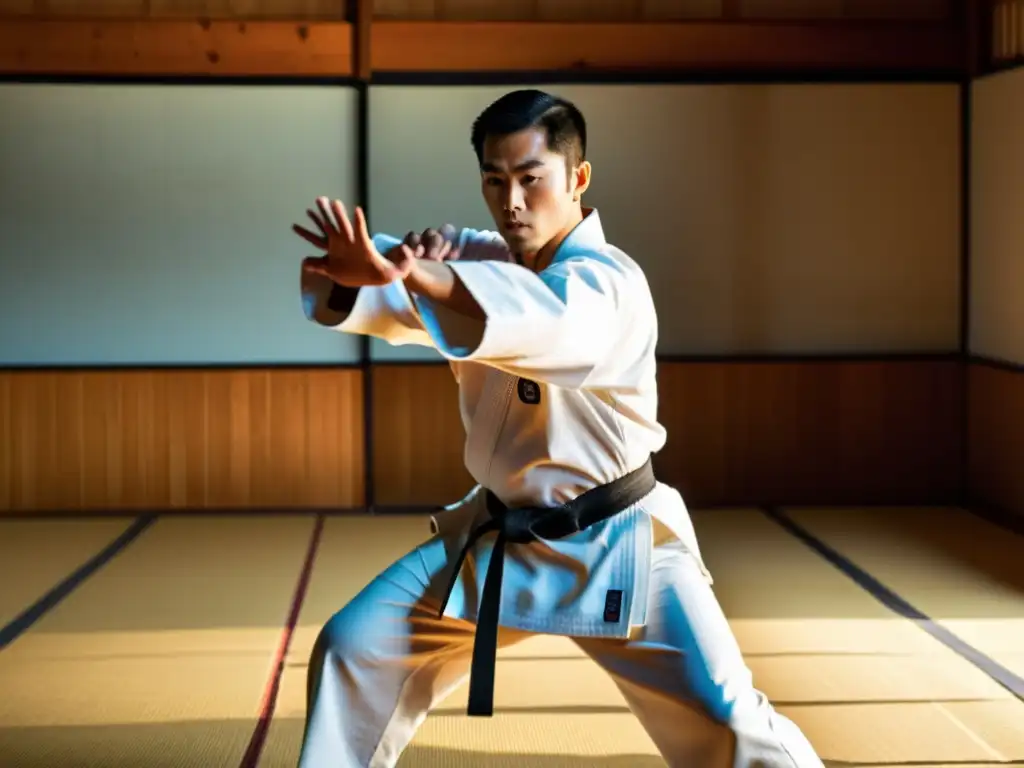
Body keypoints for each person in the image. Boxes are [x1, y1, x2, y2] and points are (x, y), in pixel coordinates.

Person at [294, 89, 824, 767]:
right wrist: (368, 272)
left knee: (727, 719)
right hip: (501, 538)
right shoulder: (484, 259)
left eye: (529, 179)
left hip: (620, 543)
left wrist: (429, 274)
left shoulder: (611, 283)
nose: (511, 200)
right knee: (355, 647)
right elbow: (404, 283)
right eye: (494, 180)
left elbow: (539, 316)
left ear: (577, 177)